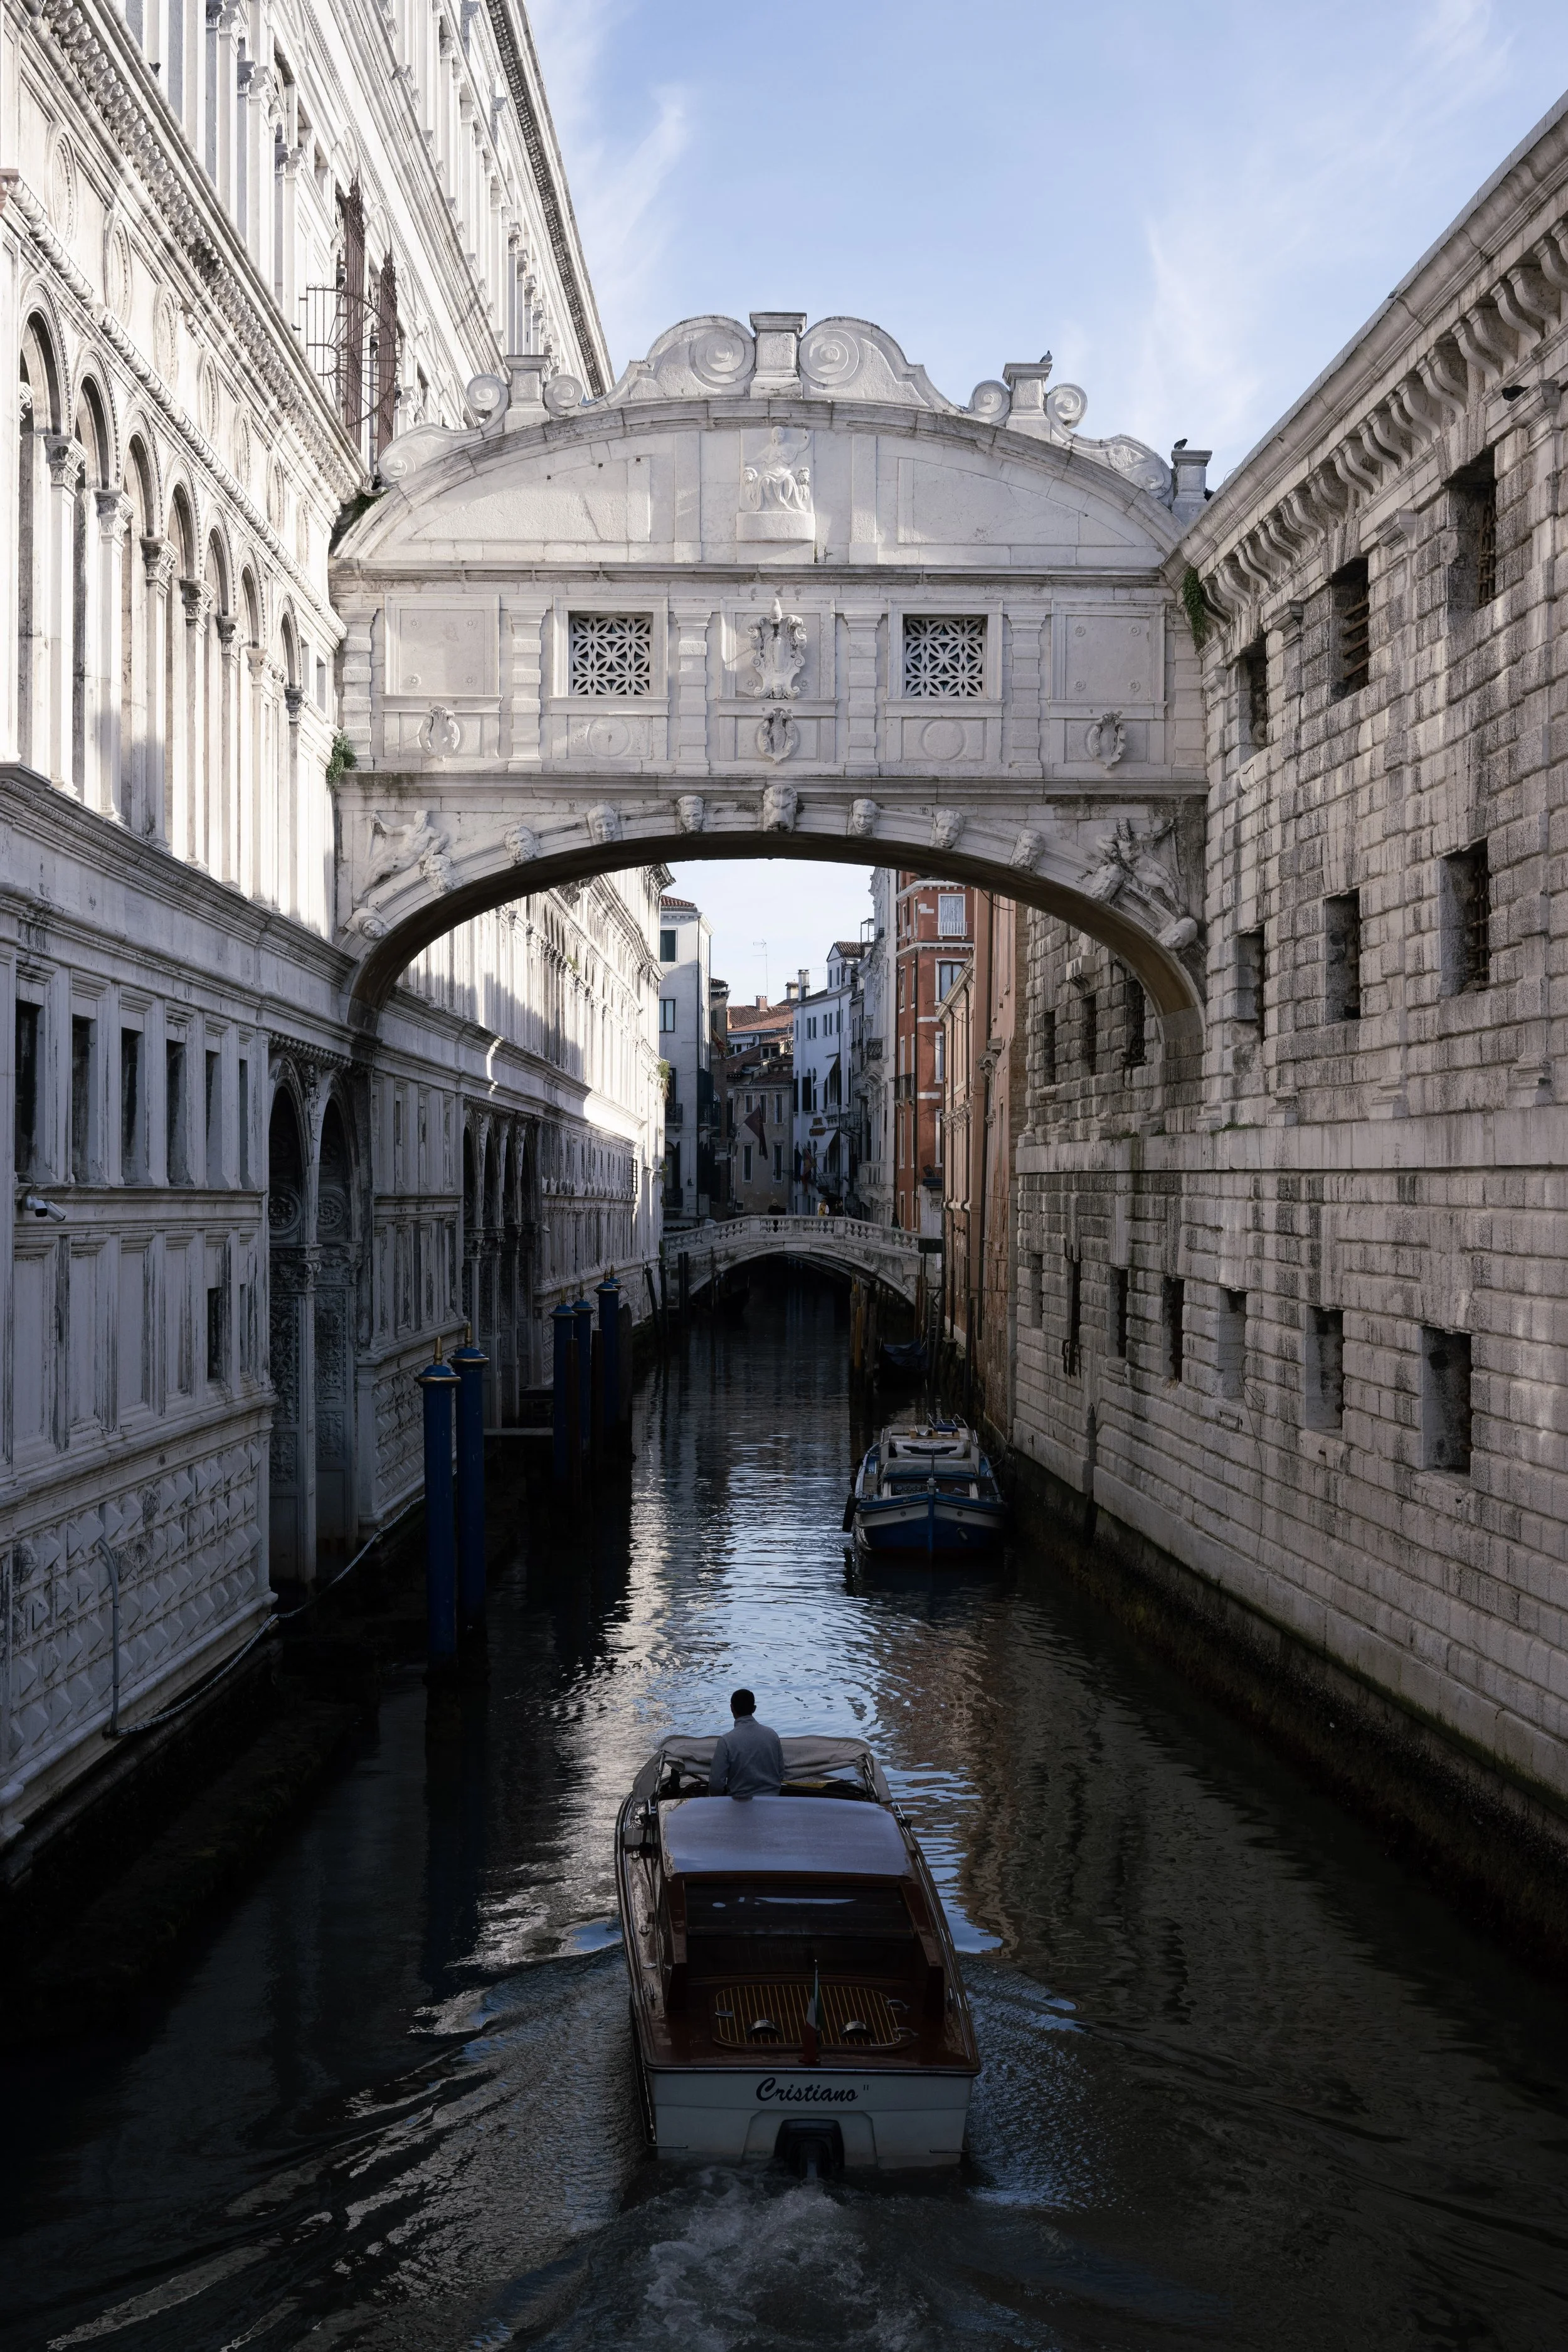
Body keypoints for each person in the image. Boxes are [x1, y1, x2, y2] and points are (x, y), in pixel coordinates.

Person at [709, 1689, 785, 1799]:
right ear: (754, 1709)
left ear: (732, 1708)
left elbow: (716, 1783)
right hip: (772, 1802)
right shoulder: (772, 1735)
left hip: (738, 1807)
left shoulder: (726, 1741)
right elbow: (781, 1774)